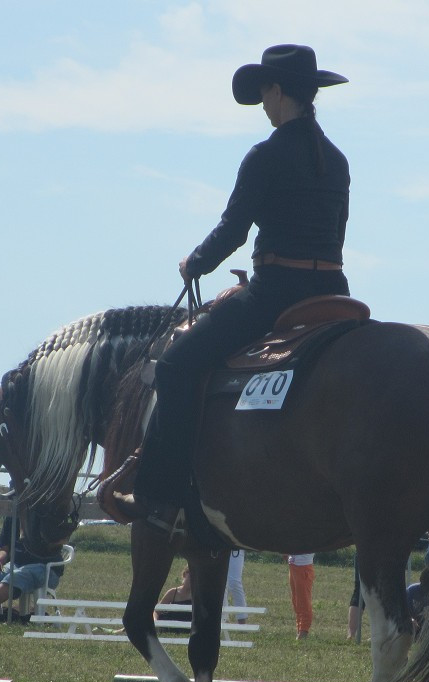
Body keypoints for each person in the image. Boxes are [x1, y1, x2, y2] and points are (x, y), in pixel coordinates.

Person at [112, 44, 351, 530]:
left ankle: (159, 495)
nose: (263, 104)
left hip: (277, 292)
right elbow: (337, 232)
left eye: (265, 93)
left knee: (176, 365)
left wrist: (194, 264)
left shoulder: (265, 155)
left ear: (279, 92)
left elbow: (234, 230)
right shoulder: (338, 160)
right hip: (335, 292)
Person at [0, 517, 65, 623]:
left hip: (45, 568)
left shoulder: (43, 516)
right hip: (17, 564)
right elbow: (4, 549)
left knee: (15, 576)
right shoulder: (11, 519)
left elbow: (57, 541)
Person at [288, 553, 315, 640]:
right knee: (296, 601)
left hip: (303, 566)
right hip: (293, 565)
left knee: (303, 601)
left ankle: (303, 630)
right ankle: (299, 629)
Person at [225, 548, 248, 624]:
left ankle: (242, 619)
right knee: (221, 583)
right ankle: (224, 619)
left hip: (235, 548)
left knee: (234, 582)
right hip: (218, 546)